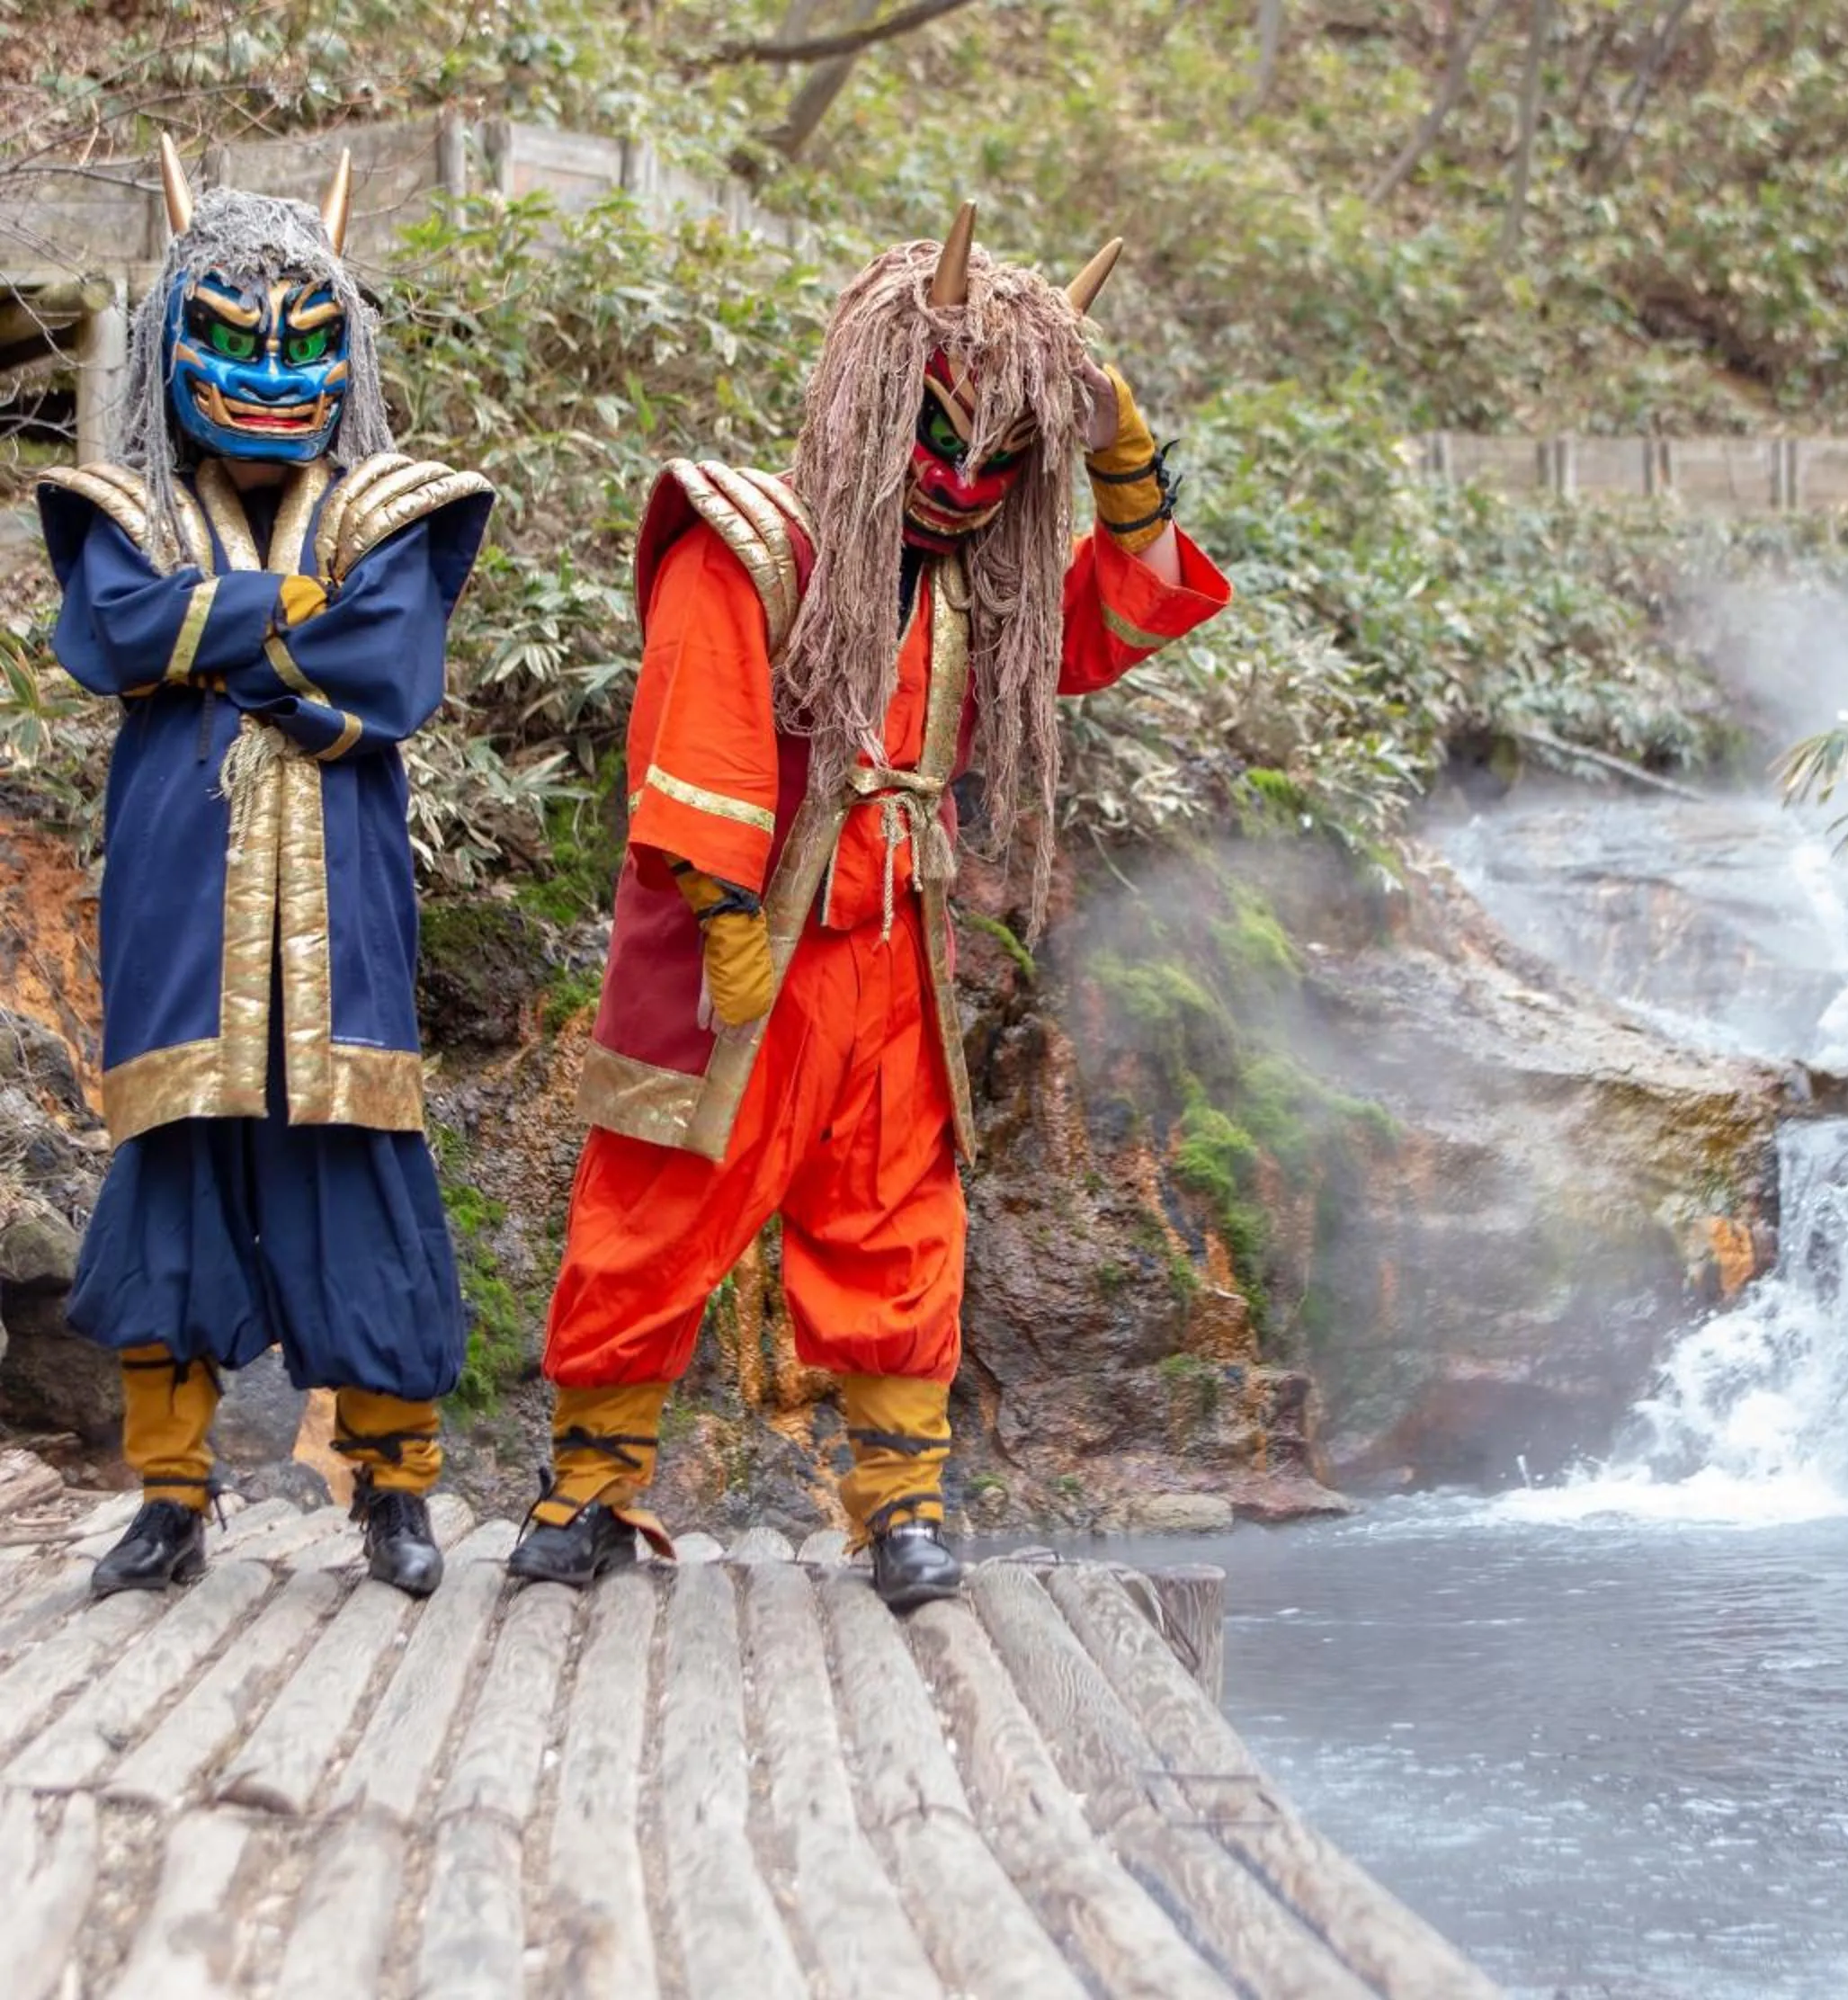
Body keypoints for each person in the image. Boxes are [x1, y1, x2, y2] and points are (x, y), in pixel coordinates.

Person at [509, 205, 1229, 1610]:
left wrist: (1120, 452)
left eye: (1003, 455)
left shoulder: (983, 585)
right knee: (663, 1196)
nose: (966, 478)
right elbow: (701, 715)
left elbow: (1122, 614)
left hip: (899, 945)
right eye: (942, 433)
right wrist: (722, 921)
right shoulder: (753, 537)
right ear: (869, 399)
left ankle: (900, 1509)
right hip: (753, 941)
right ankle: (587, 1490)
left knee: (897, 1214)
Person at [37, 138, 494, 1598]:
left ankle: (396, 1495)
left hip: (342, 913)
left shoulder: (395, 510)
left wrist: (214, 630)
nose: (270, 377)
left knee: (359, 1179)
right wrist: (287, 616)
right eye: (230, 340)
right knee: (171, 1173)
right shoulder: (121, 511)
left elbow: (388, 663)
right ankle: (169, 1497)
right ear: (173, 340)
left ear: (345, 355)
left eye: (303, 346)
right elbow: (113, 638)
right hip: (180, 911)